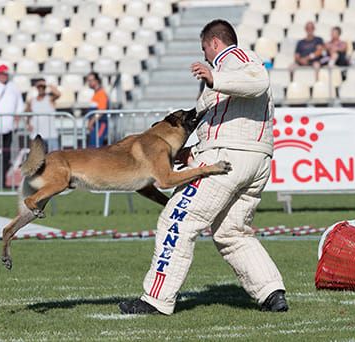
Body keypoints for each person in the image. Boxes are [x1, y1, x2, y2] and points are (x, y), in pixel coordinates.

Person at [119, 19, 287, 315]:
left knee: (177, 220)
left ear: (214, 43)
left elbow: (259, 80)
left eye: (205, 50)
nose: (206, 57)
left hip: (228, 159)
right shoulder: (224, 76)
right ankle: (271, 292)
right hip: (251, 160)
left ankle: (156, 299)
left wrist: (213, 77)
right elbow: (222, 123)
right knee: (232, 232)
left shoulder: (235, 59)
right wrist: (192, 152)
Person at [25, 78, 61, 152]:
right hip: (36, 134)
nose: (41, 89)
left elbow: (58, 94)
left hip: (50, 134)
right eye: (39, 87)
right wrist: (28, 124)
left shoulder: (50, 98)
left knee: (55, 158)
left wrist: (47, 84)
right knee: (37, 159)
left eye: (43, 87)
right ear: (36, 88)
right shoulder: (32, 101)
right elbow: (28, 113)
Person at [86, 72, 109, 147]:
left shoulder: (101, 93)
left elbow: (101, 110)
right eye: (88, 80)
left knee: (97, 147)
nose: (89, 82)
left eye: (91, 80)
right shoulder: (96, 93)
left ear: (97, 81)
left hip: (100, 124)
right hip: (95, 125)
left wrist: (91, 122)